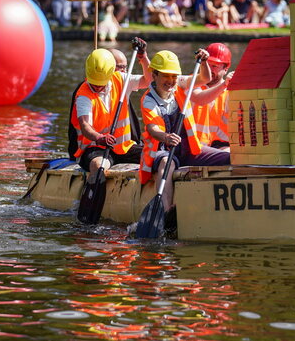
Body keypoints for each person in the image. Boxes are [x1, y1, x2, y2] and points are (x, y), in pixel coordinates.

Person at [139, 49, 230, 216]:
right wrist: (166, 137)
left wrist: (203, 62)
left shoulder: (179, 83)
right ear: (154, 75)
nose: (171, 81)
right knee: (168, 164)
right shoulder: (148, 100)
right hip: (162, 152)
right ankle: (166, 212)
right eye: (166, 76)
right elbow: (153, 129)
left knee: (230, 158)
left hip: (189, 149)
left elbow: (205, 78)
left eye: (173, 76)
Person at [71, 45, 152, 187]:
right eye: (94, 83)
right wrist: (99, 138)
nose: (97, 87)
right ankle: (94, 198)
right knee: (98, 165)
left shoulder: (121, 79)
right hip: (95, 148)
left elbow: (149, 80)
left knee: (154, 156)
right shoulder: (83, 95)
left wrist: (143, 58)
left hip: (124, 147)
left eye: (100, 83)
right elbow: (85, 125)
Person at [191, 43, 233, 150]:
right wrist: (224, 85)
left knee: (231, 154)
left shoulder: (231, 92)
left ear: (226, 69)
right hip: (191, 144)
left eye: (214, 66)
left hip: (219, 146)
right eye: (207, 64)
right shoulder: (191, 82)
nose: (209, 70)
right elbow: (201, 99)